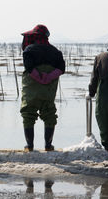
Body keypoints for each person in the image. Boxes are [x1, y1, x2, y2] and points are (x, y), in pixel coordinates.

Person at [20, 24, 65, 152]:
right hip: (48, 89)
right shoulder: (56, 52)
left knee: (28, 113)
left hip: (31, 88)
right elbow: (62, 68)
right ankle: (48, 146)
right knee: (49, 113)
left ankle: (29, 146)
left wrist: (39, 77)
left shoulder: (29, 50)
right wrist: (49, 77)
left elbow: (29, 67)